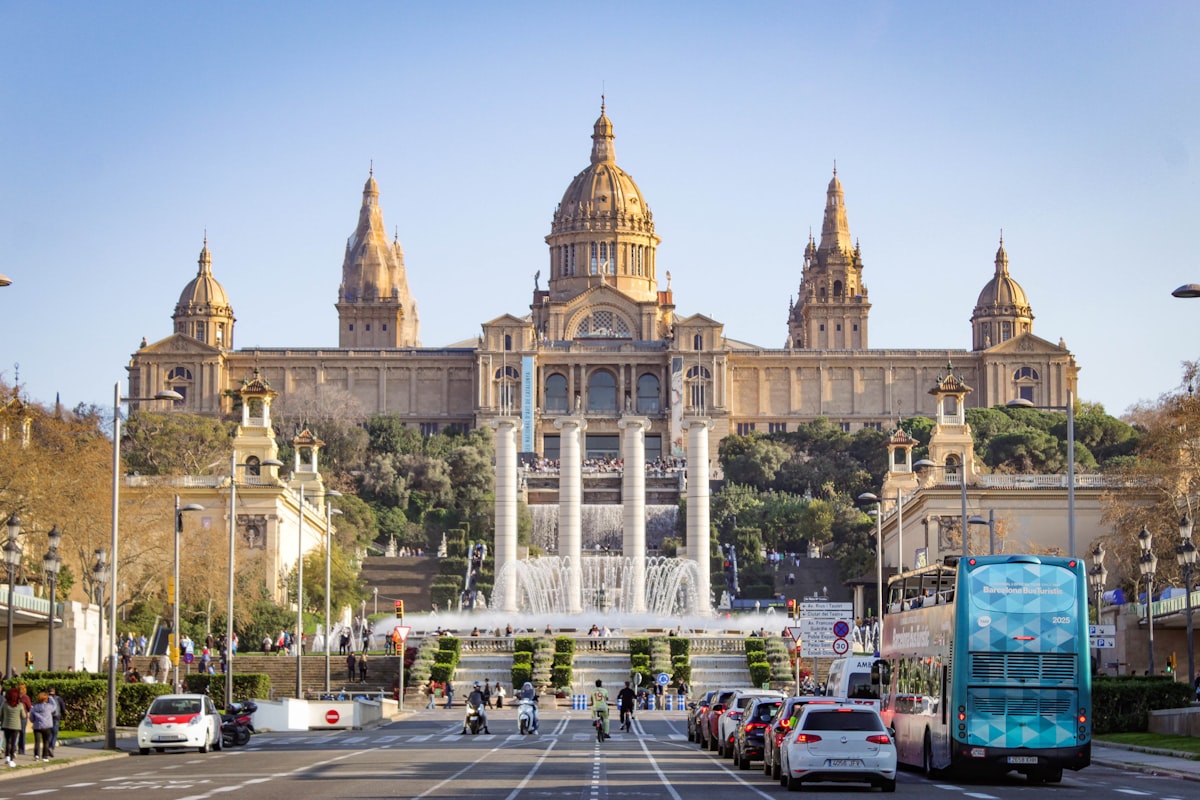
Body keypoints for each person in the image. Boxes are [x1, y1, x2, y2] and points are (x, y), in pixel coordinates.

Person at [2, 688, 24, 767]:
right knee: (13, 743)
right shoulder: (20, 705)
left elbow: (1, 715)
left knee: (8, 742)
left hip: (6, 725)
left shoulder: (5, 704)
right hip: (16, 726)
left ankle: (7, 757)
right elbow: (23, 715)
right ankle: (11, 759)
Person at [29, 692, 55, 762]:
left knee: (37, 741)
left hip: (37, 726)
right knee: (46, 741)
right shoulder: (49, 706)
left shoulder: (35, 707)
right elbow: (54, 706)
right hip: (47, 726)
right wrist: (51, 698)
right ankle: (45, 756)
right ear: (46, 699)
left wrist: (33, 721)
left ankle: (36, 755)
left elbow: (31, 717)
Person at [15, 684, 30, 755]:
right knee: (22, 733)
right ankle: (21, 750)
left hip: (15, 716)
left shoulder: (15, 697)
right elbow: (29, 707)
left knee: (15, 733)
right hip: (23, 717)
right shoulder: (25, 697)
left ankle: (14, 747)